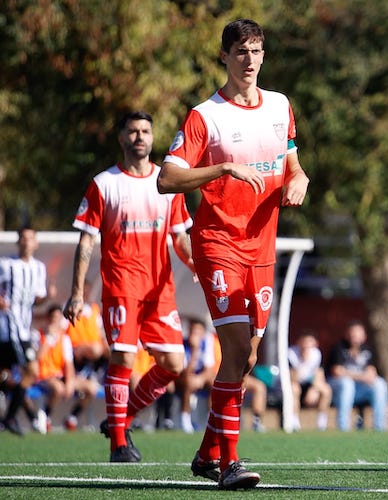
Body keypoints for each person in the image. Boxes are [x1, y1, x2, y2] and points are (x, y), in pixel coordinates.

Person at [156, 18, 309, 490]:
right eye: (240, 50)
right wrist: (221, 167)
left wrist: (299, 178)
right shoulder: (206, 116)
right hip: (219, 242)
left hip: (262, 247)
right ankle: (230, 464)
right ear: (224, 56)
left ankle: (206, 453)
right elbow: (167, 179)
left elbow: (291, 161)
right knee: (237, 347)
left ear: (264, 55)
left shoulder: (281, 106)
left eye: (257, 50)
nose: (249, 59)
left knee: (246, 359)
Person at [63, 110, 195, 463]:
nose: (140, 137)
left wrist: (196, 263)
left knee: (173, 364)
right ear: (121, 139)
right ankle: (118, 445)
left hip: (160, 289)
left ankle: (121, 420)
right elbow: (86, 242)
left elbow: (180, 236)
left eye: (146, 131)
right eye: (133, 131)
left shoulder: (169, 183)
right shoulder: (104, 183)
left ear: (153, 138)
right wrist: (77, 293)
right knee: (123, 357)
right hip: (122, 286)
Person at [0, 225, 49, 436]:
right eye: (22, 238)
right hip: (8, 328)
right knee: (31, 370)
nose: (26, 242)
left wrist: (46, 297)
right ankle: (14, 416)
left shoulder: (39, 268)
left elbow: (37, 300)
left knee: (16, 374)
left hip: (23, 329)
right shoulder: (5, 264)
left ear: (35, 243)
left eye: (30, 238)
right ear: (18, 241)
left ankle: (12, 416)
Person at [34, 304, 99, 432]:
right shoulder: (39, 335)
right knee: (58, 388)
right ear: (48, 319)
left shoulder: (64, 338)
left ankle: (72, 417)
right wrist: (49, 339)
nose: (55, 321)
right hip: (44, 376)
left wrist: (70, 381)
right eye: (52, 318)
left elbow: (68, 364)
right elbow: (37, 357)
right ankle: (45, 417)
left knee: (91, 388)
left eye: (58, 318)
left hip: (60, 375)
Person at [326, 321, 387, 432]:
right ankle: (343, 427)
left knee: (380, 384)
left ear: (364, 336)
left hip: (358, 389)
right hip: (337, 389)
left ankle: (379, 427)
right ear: (346, 334)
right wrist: (361, 377)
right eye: (352, 333)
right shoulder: (339, 348)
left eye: (358, 334)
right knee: (346, 383)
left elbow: (372, 372)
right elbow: (337, 372)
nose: (355, 337)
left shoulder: (367, 349)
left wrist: (364, 376)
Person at [177, 318, 219, 434]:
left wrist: (200, 379)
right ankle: (185, 420)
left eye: (197, 331)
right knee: (188, 383)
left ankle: (210, 420)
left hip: (200, 378)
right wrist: (195, 350)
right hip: (184, 378)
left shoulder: (207, 343)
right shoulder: (183, 345)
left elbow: (209, 368)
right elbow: (184, 372)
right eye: (192, 331)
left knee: (214, 382)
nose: (194, 334)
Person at [288, 331, 331, 431]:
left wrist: (314, 389)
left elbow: (319, 375)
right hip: (296, 383)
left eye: (309, 343)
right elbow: (293, 377)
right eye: (304, 342)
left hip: (310, 385)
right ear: (299, 343)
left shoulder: (316, 354)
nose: (306, 346)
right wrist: (303, 361)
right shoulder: (291, 354)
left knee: (326, 390)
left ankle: (321, 423)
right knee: (294, 389)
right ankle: (294, 422)